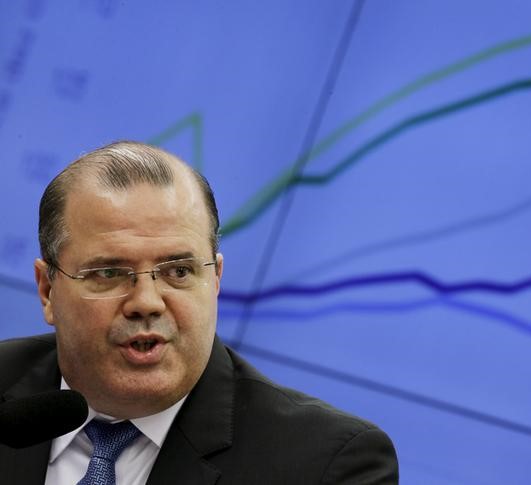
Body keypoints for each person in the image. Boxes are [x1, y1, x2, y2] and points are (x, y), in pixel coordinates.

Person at [0, 141, 398, 484]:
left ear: (216, 280)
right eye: (109, 273)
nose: (147, 302)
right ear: (47, 290)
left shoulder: (324, 466)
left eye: (178, 272)